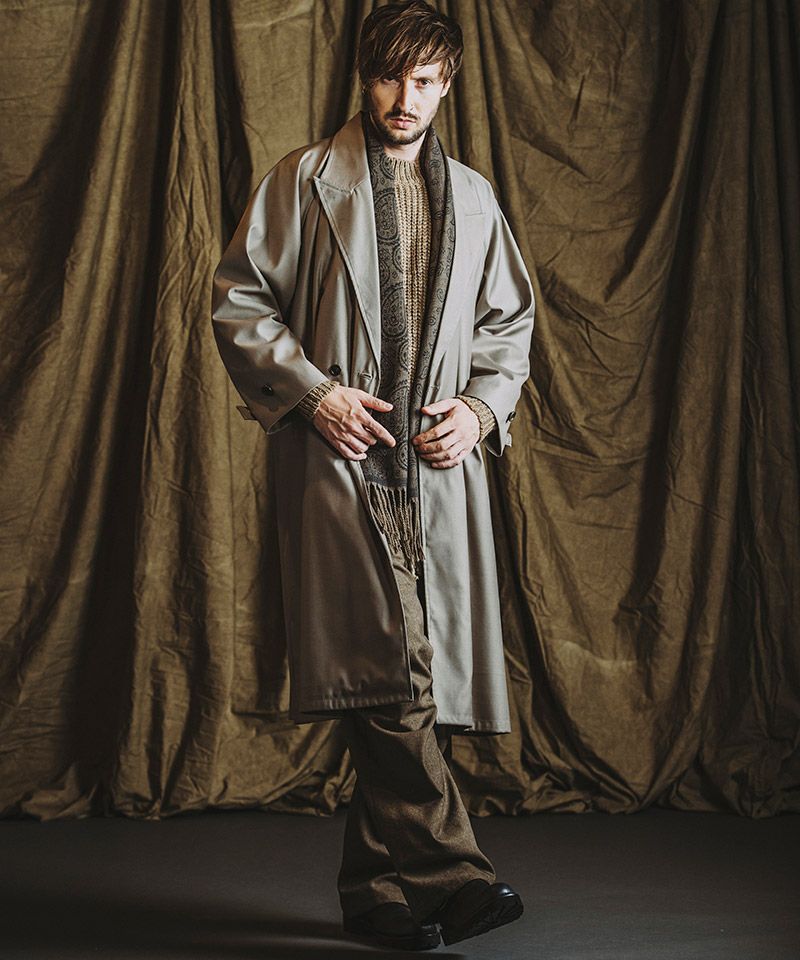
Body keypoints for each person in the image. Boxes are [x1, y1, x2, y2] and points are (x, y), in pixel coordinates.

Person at [211, 0, 535, 950]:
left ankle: (375, 893)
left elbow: (508, 326)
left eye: (425, 81)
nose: (406, 99)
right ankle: (456, 875)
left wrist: (479, 410)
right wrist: (314, 394)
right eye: (392, 77)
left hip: (436, 470)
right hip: (342, 462)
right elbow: (239, 301)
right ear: (366, 76)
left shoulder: (474, 197)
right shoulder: (305, 180)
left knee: (402, 678)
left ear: (448, 85)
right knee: (391, 672)